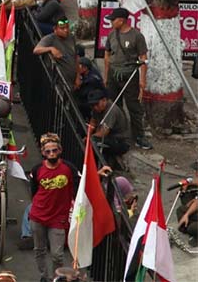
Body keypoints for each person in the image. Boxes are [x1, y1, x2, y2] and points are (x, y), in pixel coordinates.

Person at [27, 133, 78, 281]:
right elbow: (34, 191)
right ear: (43, 152)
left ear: (60, 150)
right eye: (48, 151)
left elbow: (82, 183)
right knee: (39, 250)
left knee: (57, 254)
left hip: (58, 218)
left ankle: (57, 278)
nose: (51, 154)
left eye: (54, 150)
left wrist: (98, 174)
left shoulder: (69, 168)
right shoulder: (37, 169)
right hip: (38, 216)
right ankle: (44, 277)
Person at [102, 7, 152, 149]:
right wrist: (106, 76)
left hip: (129, 75)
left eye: (113, 20)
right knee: (113, 105)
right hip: (113, 74)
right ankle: (119, 134)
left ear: (122, 20)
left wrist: (142, 80)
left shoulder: (137, 36)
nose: (111, 22)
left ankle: (139, 136)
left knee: (134, 107)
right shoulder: (112, 34)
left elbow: (143, 58)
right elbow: (107, 55)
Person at [88, 89, 132, 163]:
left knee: (94, 143)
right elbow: (93, 122)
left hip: (120, 141)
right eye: (93, 105)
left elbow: (103, 132)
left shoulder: (111, 110)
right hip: (109, 138)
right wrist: (88, 134)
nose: (95, 107)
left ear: (104, 100)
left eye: (96, 104)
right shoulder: (96, 109)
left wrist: (91, 137)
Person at [33, 18, 77, 89]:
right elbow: (36, 50)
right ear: (55, 29)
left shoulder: (71, 38)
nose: (66, 30)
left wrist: (77, 76)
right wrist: (50, 48)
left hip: (72, 79)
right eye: (62, 28)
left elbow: (76, 57)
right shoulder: (50, 38)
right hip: (60, 81)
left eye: (67, 27)